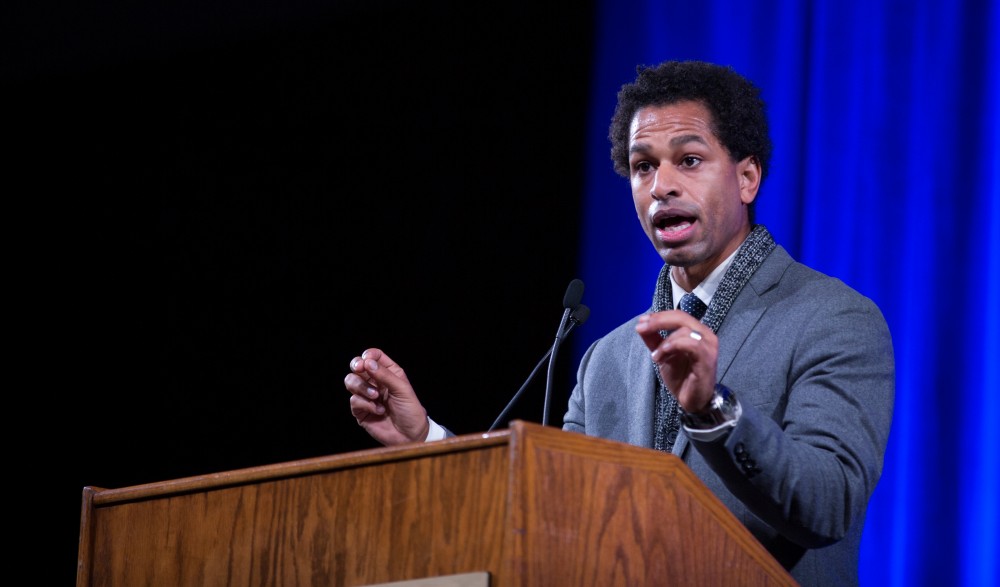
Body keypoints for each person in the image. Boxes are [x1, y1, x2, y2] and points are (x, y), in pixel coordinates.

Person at [343, 60, 894, 587]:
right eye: (643, 165)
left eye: (690, 159)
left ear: (747, 177)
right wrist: (427, 440)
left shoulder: (833, 317)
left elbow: (829, 504)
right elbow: (549, 514)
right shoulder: (606, 358)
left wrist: (711, 410)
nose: (661, 186)